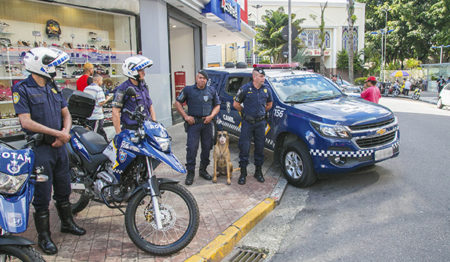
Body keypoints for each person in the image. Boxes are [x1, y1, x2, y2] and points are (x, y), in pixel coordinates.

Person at [12, 47, 86, 255]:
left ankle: (67, 223)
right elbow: (25, 121)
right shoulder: (22, 88)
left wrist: (65, 133)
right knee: (43, 195)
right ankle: (44, 237)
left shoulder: (53, 86)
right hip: (41, 149)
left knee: (64, 188)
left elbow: (66, 113)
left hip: (60, 147)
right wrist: (57, 134)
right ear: (39, 64)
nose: (55, 69)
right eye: (51, 64)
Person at [174, 70, 220, 185]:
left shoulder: (212, 90)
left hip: (207, 123)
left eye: (204, 78)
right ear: (196, 78)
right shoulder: (188, 90)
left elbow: (217, 105)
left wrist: (211, 116)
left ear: (206, 80)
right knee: (192, 148)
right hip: (193, 124)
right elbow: (178, 103)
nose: (202, 80)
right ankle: (190, 173)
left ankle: (203, 170)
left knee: (207, 148)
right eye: (200, 77)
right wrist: (185, 116)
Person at [233, 68, 273, 185]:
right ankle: (243, 173)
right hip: (247, 123)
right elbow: (236, 104)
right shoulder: (245, 89)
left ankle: (258, 172)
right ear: (255, 77)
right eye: (261, 76)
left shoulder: (266, 90)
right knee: (244, 148)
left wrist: (261, 112)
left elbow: (270, 104)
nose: (263, 78)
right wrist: (245, 113)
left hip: (260, 123)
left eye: (263, 76)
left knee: (260, 148)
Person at [112, 55, 156, 133]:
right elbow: (115, 112)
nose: (143, 73)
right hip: (131, 131)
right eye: (140, 70)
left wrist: (154, 124)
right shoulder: (122, 89)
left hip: (146, 128)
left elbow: (150, 106)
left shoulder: (143, 86)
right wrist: (119, 134)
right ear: (132, 72)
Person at [84, 74, 111, 141]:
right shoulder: (98, 89)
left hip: (89, 115)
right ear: (98, 80)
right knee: (98, 132)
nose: (102, 82)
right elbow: (100, 102)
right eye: (101, 80)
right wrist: (108, 99)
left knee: (90, 132)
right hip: (96, 116)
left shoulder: (86, 88)